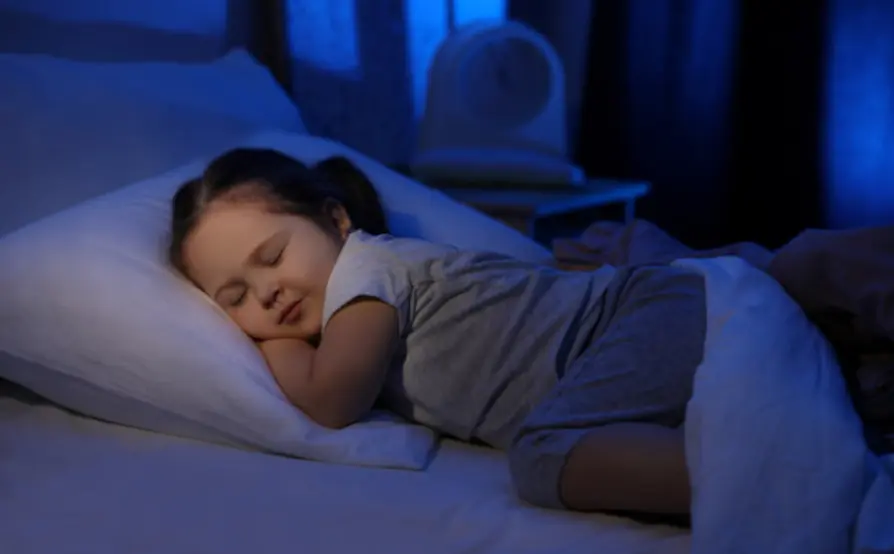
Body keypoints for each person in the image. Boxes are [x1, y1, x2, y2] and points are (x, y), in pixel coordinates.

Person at [168, 148, 707, 517]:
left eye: (272, 257)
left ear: (336, 221)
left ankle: (744, 481)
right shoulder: (351, 302)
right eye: (235, 298)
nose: (266, 292)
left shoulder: (365, 275)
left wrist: (272, 340)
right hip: (636, 332)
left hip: (636, 317)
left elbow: (332, 399)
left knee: (544, 455)